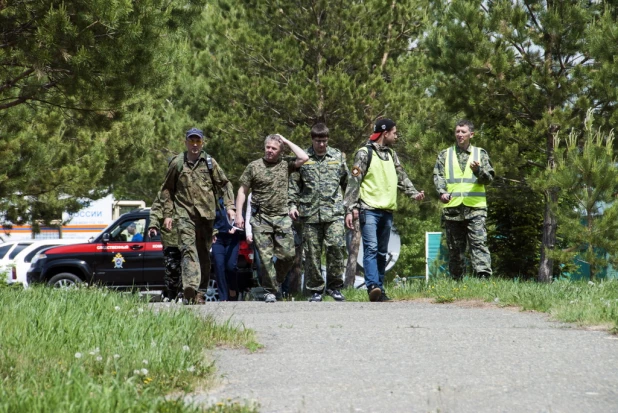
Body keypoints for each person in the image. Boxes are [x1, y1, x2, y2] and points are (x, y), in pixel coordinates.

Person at [343, 119, 425, 302]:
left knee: (381, 251)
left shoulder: (392, 155)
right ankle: (372, 285)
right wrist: (350, 209)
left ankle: (380, 289)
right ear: (384, 132)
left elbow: (401, 177)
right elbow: (354, 181)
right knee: (371, 249)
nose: (396, 135)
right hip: (368, 209)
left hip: (387, 210)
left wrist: (414, 194)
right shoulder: (364, 153)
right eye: (394, 132)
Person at [153, 127, 236, 304]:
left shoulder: (210, 163)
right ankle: (189, 287)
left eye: (198, 141)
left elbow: (225, 184)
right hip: (184, 214)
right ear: (186, 142)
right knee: (188, 248)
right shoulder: (177, 163)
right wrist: (167, 214)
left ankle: (200, 292)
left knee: (203, 253)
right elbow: (167, 189)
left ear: (202, 142)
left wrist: (230, 206)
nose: (195, 144)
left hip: (206, 215)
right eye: (191, 141)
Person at [235, 134, 308, 303]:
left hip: (282, 217)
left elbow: (304, 157)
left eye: (274, 148)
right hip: (260, 219)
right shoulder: (254, 167)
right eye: (268, 147)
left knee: (289, 255)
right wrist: (239, 214)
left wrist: (287, 140)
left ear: (280, 151)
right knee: (265, 259)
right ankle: (270, 291)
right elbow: (242, 191)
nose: (269, 151)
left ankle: (275, 282)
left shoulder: (285, 165)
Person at [289, 123, 349, 302]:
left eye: (323, 141)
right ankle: (315, 289)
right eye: (317, 141)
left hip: (335, 213)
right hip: (310, 214)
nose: (321, 144)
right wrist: (292, 205)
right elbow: (294, 185)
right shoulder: (304, 158)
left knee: (337, 249)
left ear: (327, 140)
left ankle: (334, 287)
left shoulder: (337, 156)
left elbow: (347, 184)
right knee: (312, 254)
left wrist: (351, 209)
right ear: (312, 140)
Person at [433, 119, 494, 280]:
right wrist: (442, 192)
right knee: (454, 249)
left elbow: (488, 179)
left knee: (479, 244)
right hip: (452, 208)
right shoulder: (445, 154)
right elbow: (438, 176)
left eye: (463, 132)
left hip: (475, 208)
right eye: (457, 132)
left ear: (471, 134)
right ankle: (457, 282)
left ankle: (483, 278)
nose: (460, 135)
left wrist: (478, 170)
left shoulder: (480, 154)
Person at [148, 190, 182, 300]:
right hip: (170, 237)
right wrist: (153, 225)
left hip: (191, 237)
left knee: (189, 268)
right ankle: (173, 296)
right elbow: (156, 209)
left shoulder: (193, 185)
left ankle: (187, 296)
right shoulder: (166, 190)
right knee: (172, 271)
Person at [212, 197, 244, 301]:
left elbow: (241, 219)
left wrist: (235, 228)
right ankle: (223, 298)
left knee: (231, 266)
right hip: (218, 238)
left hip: (232, 239)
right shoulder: (212, 201)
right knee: (219, 265)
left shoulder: (234, 202)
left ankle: (233, 288)